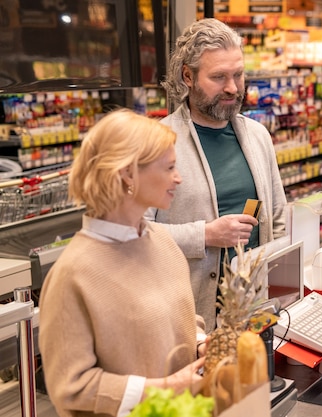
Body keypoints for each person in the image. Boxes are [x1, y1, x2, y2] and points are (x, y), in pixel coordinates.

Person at [39, 109, 208, 417]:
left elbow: (178, 318)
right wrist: (166, 388)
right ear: (128, 173)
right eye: (170, 167)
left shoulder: (162, 242)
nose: (178, 178)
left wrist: (201, 344)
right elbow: (72, 387)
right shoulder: (72, 274)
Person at [145, 18, 287, 330]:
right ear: (188, 77)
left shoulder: (258, 136)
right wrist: (206, 235)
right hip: (189, 319)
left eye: (238, 74)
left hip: (254, 312)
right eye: (219, 77)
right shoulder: (156, 142)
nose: (233, 88)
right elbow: (136, 233)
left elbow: (277, 220)